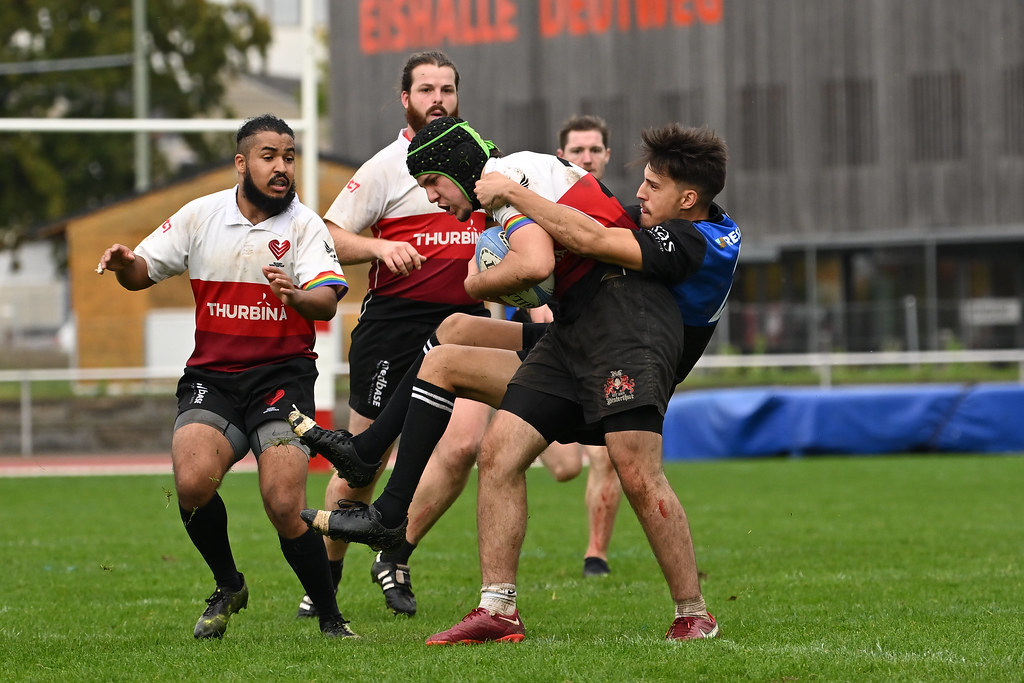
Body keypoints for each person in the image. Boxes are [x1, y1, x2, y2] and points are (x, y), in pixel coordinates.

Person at [302, 116, 739, 644]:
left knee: (637, 471)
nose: (639, 193)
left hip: (630, 335)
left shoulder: (693, 239)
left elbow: (582, 243)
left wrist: (479, 272)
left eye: (653, 185)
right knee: (498, 445)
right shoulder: (538, 185)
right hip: (576, 332)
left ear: (689, 198)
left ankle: (694, 613)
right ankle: (495, 605)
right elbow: (576, 237)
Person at [96, 114, 354, 639]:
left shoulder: (304, 225)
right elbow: (142, 273)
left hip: (282, 378)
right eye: (269, 157)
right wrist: (125, 262)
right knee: (192, 482)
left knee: (284, 503)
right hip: (214, 378)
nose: (282, 167)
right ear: (241, 163)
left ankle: (331, 618)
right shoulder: (200, 215)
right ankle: (229, 584)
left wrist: (295, 295)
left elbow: (326, 303)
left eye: (288, 156)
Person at [299, 50, 492, 619]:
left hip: (465, 329)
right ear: (404, 98)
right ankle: (324, 576)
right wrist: (380, 246)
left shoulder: (482, 160)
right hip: (394, 327)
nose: (438, 99)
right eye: (426, 89)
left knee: (460, 449)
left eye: (447, 89)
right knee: (364, 466)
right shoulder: (388, 165)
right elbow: (327, 236)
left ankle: (395, 551)